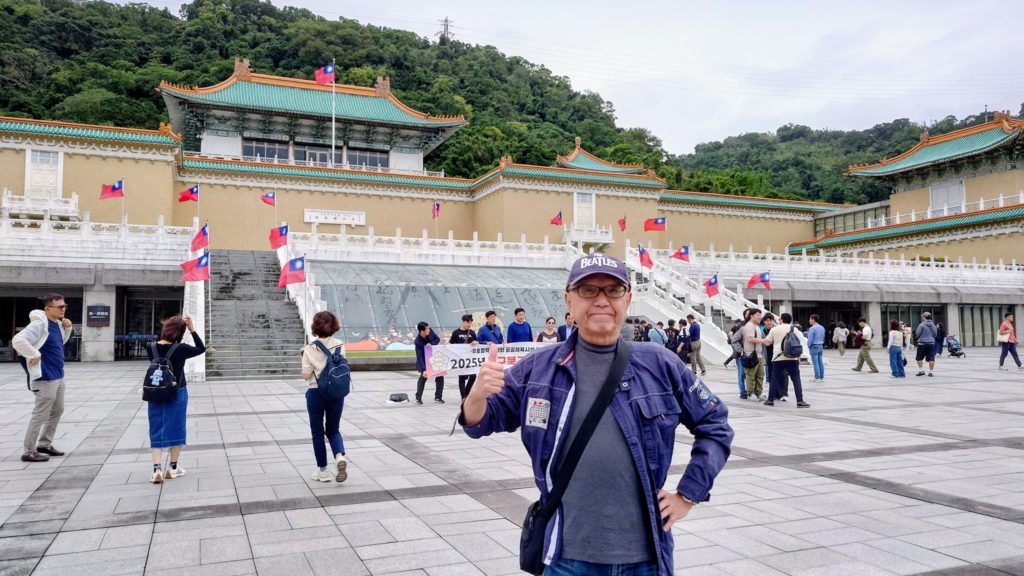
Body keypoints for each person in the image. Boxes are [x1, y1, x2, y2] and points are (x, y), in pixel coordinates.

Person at [460, 253, 733, 575]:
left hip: (645, 559)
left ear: (627, 299)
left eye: (613, 290)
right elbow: (482, 421)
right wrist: (476, 394)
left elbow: (715, 423)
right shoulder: (540, 368)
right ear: (569, 300)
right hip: (565, 557)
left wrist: (688, 494)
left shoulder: (660, 364)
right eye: (588, 290)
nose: (602, 300)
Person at [12, 293, 74, 463]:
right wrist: (34, 354)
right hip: (44, 377)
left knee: (57, 410)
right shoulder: (39, 324)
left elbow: (59, 343)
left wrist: (68, 328)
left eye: (64, 306)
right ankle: (29, 451)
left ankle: (44, 444)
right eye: (59, 306)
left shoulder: (57, 324)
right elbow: (18, 340)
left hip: (58, 375)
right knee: (40, 414)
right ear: (47, 309)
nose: (63, 309)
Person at [146, 315, 206, 483]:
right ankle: (172, 468)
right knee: (177, 427)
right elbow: (201, 348)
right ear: (180, 333)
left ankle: (156, 470)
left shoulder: (151, 347)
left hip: (155, 392)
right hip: (177, 391)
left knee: (156, 427)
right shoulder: (181, 349)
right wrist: (192, 330)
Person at [301, 311, 348, 483]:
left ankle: (323, 472)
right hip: (336, 393)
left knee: (317, 433)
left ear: (316, 326)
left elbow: (306, 376)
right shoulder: (340, 345)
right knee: (333, 429)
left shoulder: (309, 348)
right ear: (334, 325)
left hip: (316, 393)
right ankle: (339, 456)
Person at [755, 312, 809, 408]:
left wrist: (756, 340)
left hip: (778, 357)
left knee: (774, 379)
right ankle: (800, 401)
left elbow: (767, 342)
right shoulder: (794, 329)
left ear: (782, 320)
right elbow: (799, 342)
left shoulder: (775, 329)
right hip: (792, 357)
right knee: (796, 379)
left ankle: (770, 400)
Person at [414, 322, 444, 404]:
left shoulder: (430, 331)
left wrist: (431, 344)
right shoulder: (418, 341)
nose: (429, 330)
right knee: (423, 377)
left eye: (428, 328)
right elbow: (419, 356)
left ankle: (438, 397)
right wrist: (423, 369)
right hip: (425, 359)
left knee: (440, 376)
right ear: (422, 331)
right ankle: (418, 398)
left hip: (435, 357)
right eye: (427, 329)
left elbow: (437, 339)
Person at [449, 314, 478, 399]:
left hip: (470, 359)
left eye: (470, 322)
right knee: (462, 377)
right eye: (468, 322)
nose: (469, 324)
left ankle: (467, 392)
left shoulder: (472, 333)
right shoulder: (456, 332)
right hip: (460, 359)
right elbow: (451, 344)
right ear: (463, 322)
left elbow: (477, 342)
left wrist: (476, 342)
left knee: (473, 376)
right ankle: (463, 396)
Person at [741, 309, 765, 401]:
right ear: (752, 316)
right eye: (757, 315)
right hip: (750, 354)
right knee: (751, 375)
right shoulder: (749, 326)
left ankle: (758, 393)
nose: (760, 317)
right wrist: (763, 341)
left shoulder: (757, 326)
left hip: (759, 354)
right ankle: (750, 393)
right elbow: (750, 339)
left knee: (760, 375)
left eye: (760, 315)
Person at [913, 312, 938, 377]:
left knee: (919, 358)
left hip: (922, 343)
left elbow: (917, 334)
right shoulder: (933, 325)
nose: (922, 317)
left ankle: (921, 371)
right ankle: (931, 372)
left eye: (922, 316)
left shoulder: (921, 325)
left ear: (924, 317)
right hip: (931, 343)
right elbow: (935, 334)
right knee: (931, 358)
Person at [807, 314, 825, 382]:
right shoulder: (822, 327)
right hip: (820, 345)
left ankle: (817, 378)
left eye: (810, 319)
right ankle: (821, 377)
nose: (809, 320)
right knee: (820, 362)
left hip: (814, 346)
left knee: (815, 363)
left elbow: (810, 339)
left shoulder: (812, 328)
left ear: (813, 320)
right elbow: (823, 337)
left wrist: (808, 346)